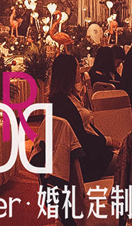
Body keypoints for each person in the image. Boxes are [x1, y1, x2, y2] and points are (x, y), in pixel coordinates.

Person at [49, 53, 115, 182]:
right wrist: (108, 141)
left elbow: (87, 128)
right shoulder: (62, 103)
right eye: (77, 67)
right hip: (89, 160)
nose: (80, 71)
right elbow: (80, 138)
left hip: (93, 151)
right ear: (68, 72)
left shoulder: (69, 97)